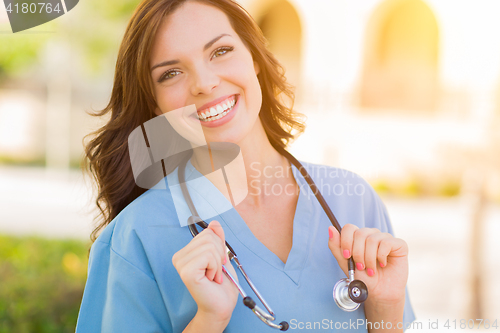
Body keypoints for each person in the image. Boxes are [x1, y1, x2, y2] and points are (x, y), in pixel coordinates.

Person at [76, 0, 416, 332]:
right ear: (154, 104)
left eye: (220, 52)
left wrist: (385, 310)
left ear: (254, 56)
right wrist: (208, 322)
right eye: (171, 73)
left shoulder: (353, 200)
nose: (204, 83)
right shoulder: (133, 240)